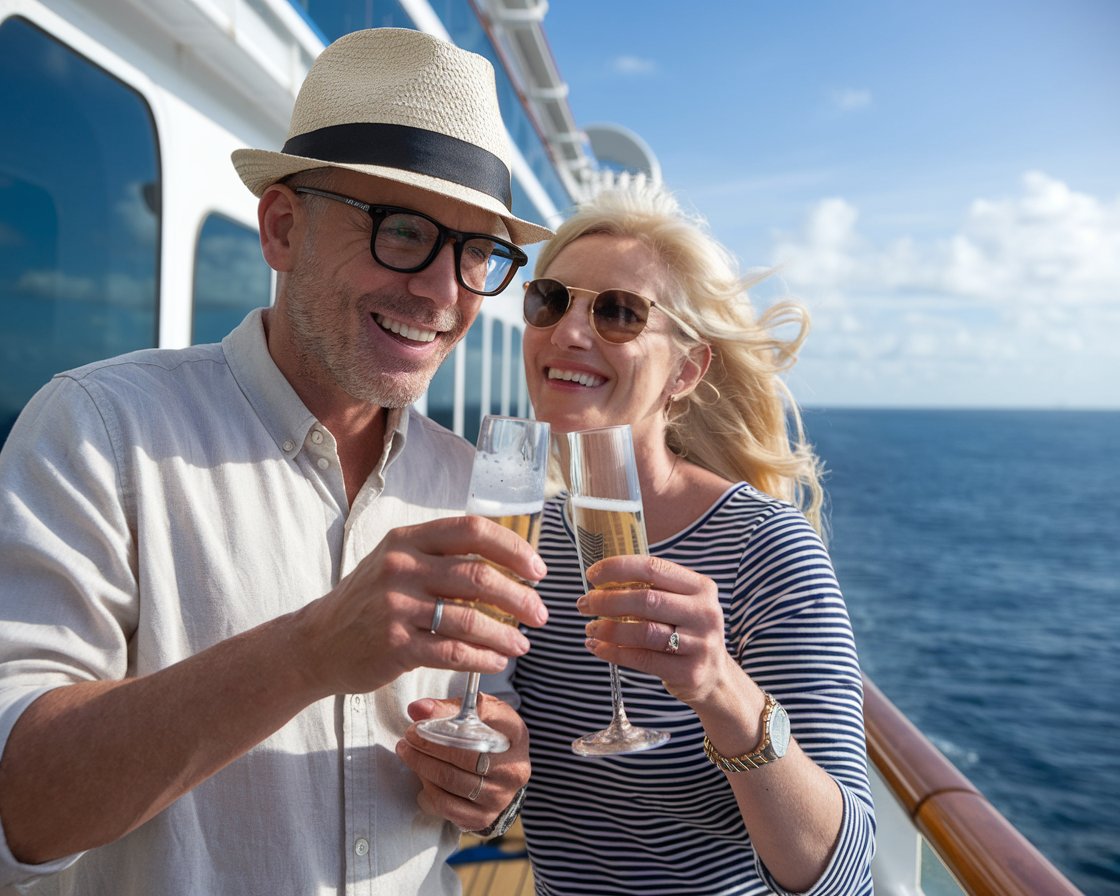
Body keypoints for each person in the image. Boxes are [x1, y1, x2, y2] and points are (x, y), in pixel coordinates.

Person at [0, 28, 554, 896]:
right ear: (283, 227)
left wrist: (486, 782)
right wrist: (308, 653)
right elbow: (17, 807)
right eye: (403, 230)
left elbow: (477, 740)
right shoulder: (100, 429)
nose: (445, 293)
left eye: (477, 252)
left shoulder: (466, 484)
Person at [509, 183, 876, 894]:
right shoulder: (523, 540)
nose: (569, 333)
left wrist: (721, 691)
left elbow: (844, 873)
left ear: (686, 369)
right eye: (551, 301)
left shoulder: (765, 550)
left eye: (618, 312)